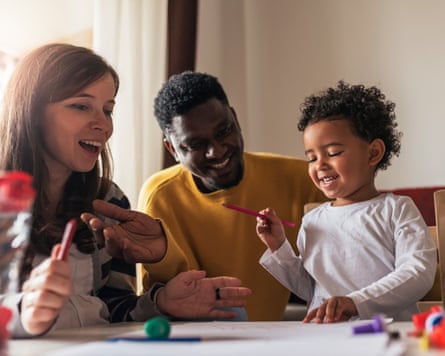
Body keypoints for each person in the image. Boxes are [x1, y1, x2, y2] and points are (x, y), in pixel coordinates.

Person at [0, 44, 251, 338]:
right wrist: (24, 312)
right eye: (81, 106)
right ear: (32, 111)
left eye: (108, 110)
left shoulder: (109, 200)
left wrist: (160, 303)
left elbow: (111, 305)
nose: (103, 125)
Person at [137, 71, 325, 321]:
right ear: (172, 149)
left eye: (224, 131)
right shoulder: (159, 197)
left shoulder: (300, 179)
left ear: (235, 119)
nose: (216, 151)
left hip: (275, 339)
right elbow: (158, 305)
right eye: (196, 144)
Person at [256, 81, 437, 322]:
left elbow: (417, 272)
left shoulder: (396, 209)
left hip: (387, 335)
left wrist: (356, 302)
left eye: (333, 153)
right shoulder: (312, 221)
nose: (320, 165)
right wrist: (279, 248)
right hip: (328, 338)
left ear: (373, 153)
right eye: (311, 158)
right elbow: (311, 290)